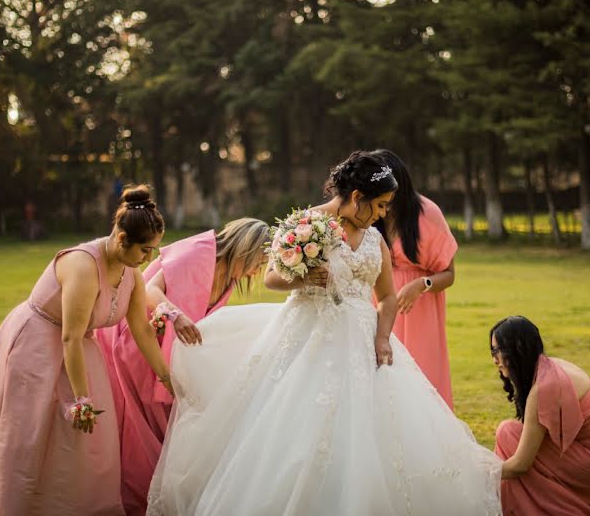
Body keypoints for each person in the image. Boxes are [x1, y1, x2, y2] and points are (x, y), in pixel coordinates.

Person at [146, 151, 502, 516]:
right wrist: (301, 277)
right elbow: (271, 278)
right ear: (357, 198)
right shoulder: (306, 224)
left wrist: (382, 338)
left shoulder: (374, 239)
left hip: (363, 338)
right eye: (379, 205)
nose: (383, 214)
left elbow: (388, 298)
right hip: (308, 334)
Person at [0, 185, 172, 516]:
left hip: (81, 347)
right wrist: (82, 401)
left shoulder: (131, 273)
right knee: (32, 433)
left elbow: (142, 330)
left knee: (91, 444)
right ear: (122, 240)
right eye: (145, 250)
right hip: (37, 342)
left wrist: (166, 376)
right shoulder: (82, 266)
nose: (149, 259)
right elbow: (69, 338)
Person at [96, 218, 269, 515]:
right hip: (141, 343)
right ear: (245, 249)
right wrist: (176, 315)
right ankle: (136, 495)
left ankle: (154, 492)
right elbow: (148, 290)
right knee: (142, 429)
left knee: (166, 427)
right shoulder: (197, 254)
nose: (258, 270)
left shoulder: (228, 276)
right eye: (259, 261)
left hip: (171, 354)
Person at [490, 316, 590, 515]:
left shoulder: (544, 387)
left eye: (498, 351)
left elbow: (520, 465)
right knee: (511, 433)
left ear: (518, 349)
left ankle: (523, 507)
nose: (495, 360)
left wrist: (478, 474)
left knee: (508, 434)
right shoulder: (549, 366)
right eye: (492, 351)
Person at [372, 149, 458, 407]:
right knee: (382, 372)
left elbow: (449, 273)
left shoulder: (427, 213)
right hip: (377, 301)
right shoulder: (370, 214)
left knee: (423, 374)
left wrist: (422, 284)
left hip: (420, 310)